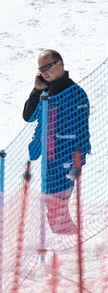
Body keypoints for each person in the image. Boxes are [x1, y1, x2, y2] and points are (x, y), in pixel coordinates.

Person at [22, 49, 91, 234]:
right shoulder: (46, 91)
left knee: (57, 204)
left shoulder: (75, 93)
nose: (43, 71)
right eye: (40, 68)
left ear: (59, 64)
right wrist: (36, 91)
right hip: (49, 158)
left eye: (47, 66)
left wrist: (78, 161)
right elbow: (28, 117)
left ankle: (70, 242)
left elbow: (82, 131)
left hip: (66, 159)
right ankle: (66, 240)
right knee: (51, 203)